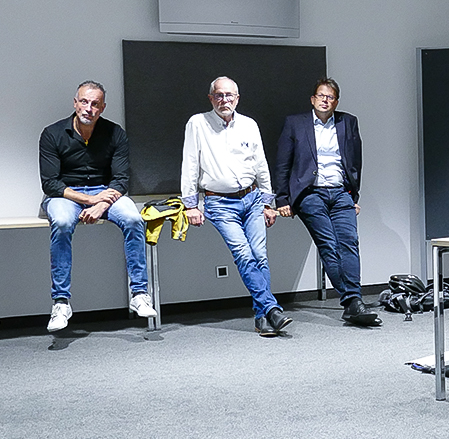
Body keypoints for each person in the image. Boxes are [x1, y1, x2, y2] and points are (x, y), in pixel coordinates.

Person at [39, 80, 157, 332]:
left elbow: (121, 180)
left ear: (102, 107)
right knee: (62, 222)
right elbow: (50, 184)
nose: (89, 108)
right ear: (75, 103)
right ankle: (61, 302)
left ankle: (139, 294)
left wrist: (101, 203)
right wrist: (90, 200)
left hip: (105, 192)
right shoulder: (52, 134)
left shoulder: (115, 134)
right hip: (66, 194)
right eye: (84, 102)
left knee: (134, 219)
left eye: (95, 104)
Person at [181, 76, 292, 337]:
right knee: (244, 254)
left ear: (237, 98)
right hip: (219, 202)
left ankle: (262, 317)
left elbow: (260, 164)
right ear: (211, 98)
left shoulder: (249, 125)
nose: (224, 100)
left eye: (229, 95)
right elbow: (190, 163)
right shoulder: (198, 123)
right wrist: (190, 205)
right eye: (219, 95)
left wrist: (268, 202)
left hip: (252, 199)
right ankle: (272, 308)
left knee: (259, 255)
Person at [275, 78, 380, 326]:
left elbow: (355, 162)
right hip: (310, 194)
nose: (325, 100)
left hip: (341, 192)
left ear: (336, 102)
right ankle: (353, 301)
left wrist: (353, 195)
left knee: (349, 243)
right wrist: (282, 199)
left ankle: (353, 302)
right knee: (328, 245)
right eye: (321, 95)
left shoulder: (348, 122)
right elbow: (282, 163)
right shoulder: (295, 123)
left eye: (330, 97)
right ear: (313, 99)